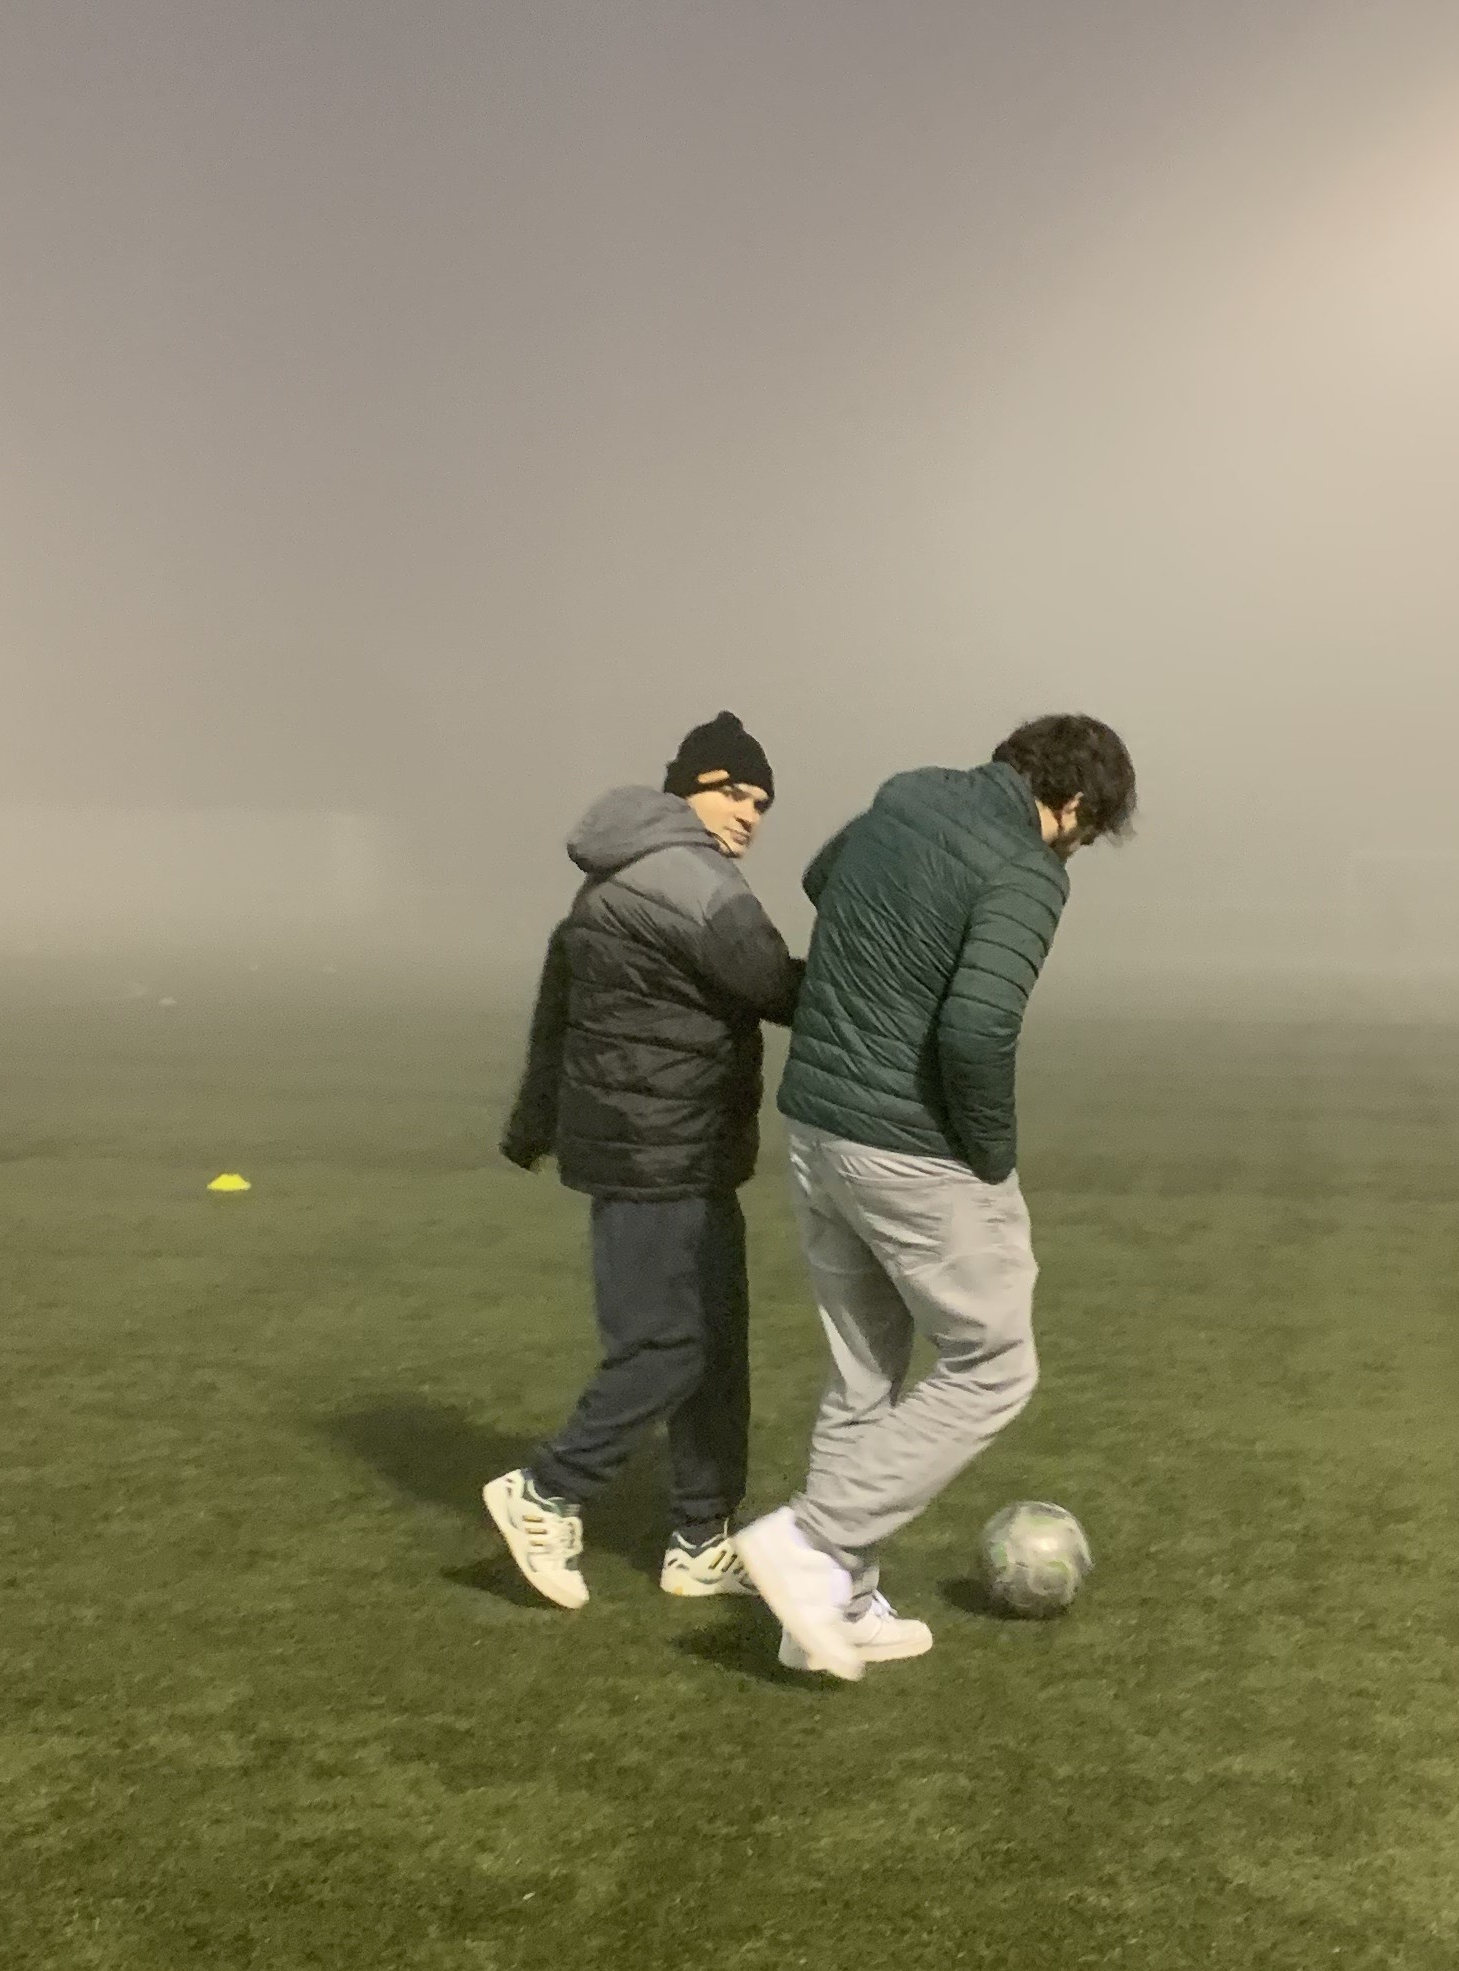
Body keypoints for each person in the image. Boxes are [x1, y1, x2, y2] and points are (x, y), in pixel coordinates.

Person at [736, 711, 1137, 1680]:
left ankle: (836, 1606)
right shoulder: (1027, 871)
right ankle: (811, 1541)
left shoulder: (907, 792)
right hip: (906, 1148)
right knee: (995, 1363)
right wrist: (990, 1154)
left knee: (866, 1369)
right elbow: (976, 1030)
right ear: (1072, 805)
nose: (1076, 851)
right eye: (1085, 835)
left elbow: (821, 880)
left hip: (817, 1128)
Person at [483, 713, 800, 1610]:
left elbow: (560, 1006)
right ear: (688, 789)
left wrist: (532, 1121)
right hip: (655, 1153)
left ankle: (700, 1540)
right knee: (668, 1347)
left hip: (680, 1149)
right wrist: (888, 997)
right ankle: (547, 1491)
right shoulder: (684, 878)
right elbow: (774, 983)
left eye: (763, 801)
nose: (751, 814)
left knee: (714, 1352)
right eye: (735, 792)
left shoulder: (623, 878)